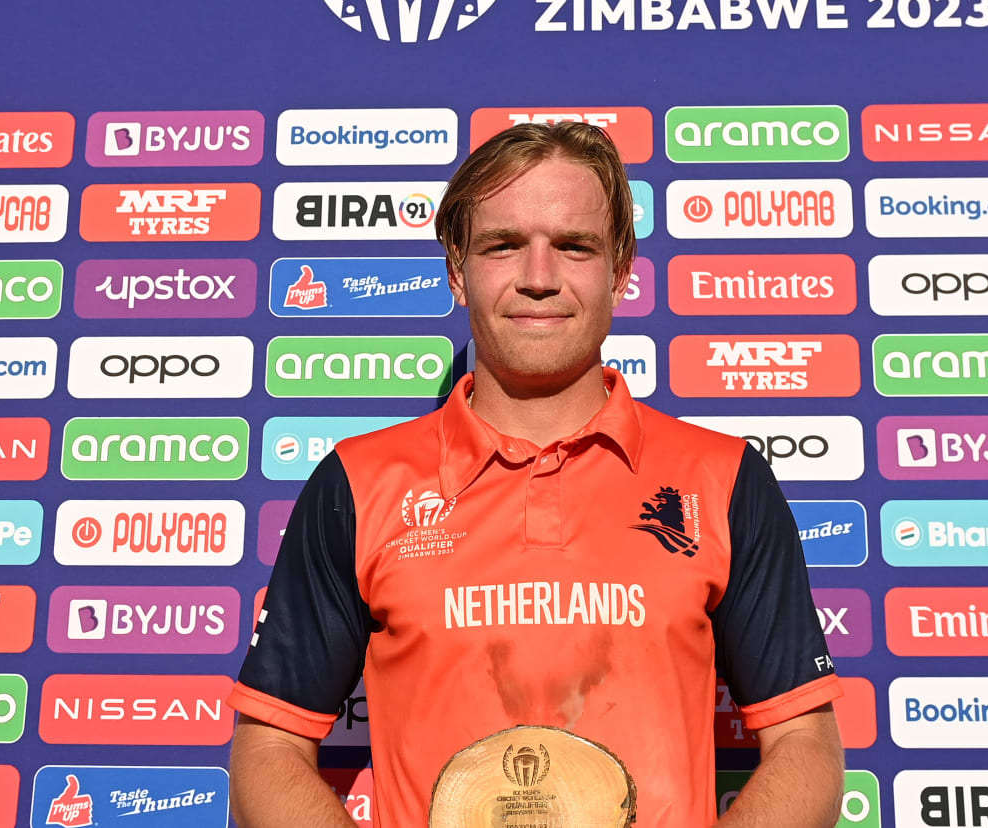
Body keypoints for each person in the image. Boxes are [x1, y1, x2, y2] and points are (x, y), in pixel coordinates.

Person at [227, 121, 844, 827]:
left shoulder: (723, 479)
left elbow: (806, 742)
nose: (539, 278)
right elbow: (269, 750)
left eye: (574, 247)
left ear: (620, 271)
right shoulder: (359, 483)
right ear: (457, 271)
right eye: (504, 245)